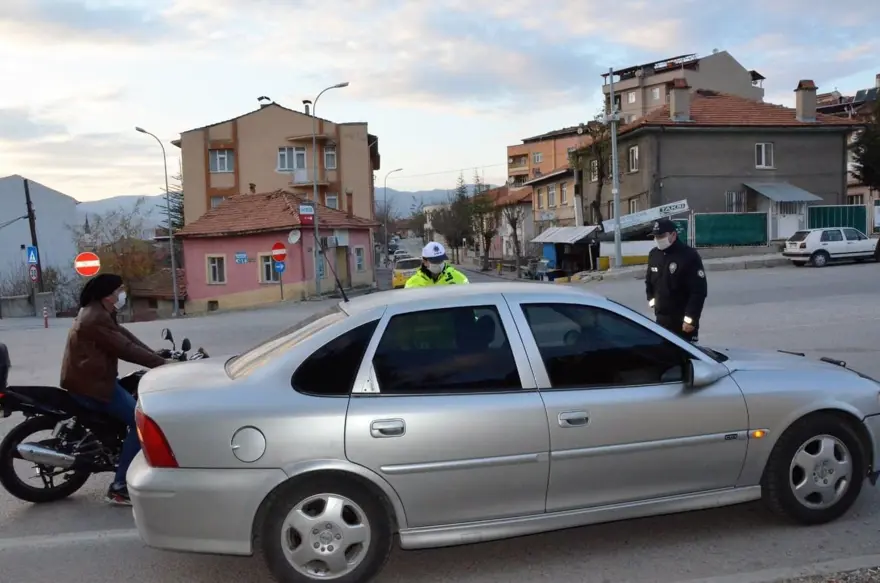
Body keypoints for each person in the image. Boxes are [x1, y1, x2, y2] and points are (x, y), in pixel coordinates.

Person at [60, 273, 170, 505]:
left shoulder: (99, 311)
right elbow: (125, 348)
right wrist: (163, 366)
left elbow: (124, 337)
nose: (122, 294)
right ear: (107, 295)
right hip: (92, 385)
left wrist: (154, 354)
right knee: (142, 423)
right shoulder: (95, 318)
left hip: (91, 378)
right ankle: (119, 487)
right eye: (119, 290)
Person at [645, 218, 707, 342]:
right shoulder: (654, 255)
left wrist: (691, 320)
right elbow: (649, 282)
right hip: (661, 321)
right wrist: (653, 302)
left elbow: (698, 291)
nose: (658, 239)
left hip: (683, 324)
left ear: (673, 234)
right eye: (656, 237)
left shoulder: (689, 256)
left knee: (685, 359)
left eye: (661, 236)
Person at [404, 242, 469, 287]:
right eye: (435, 261)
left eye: (440, 260)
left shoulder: (458, 278)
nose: (439, 264)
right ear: (424, 261)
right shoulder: (413, 284)